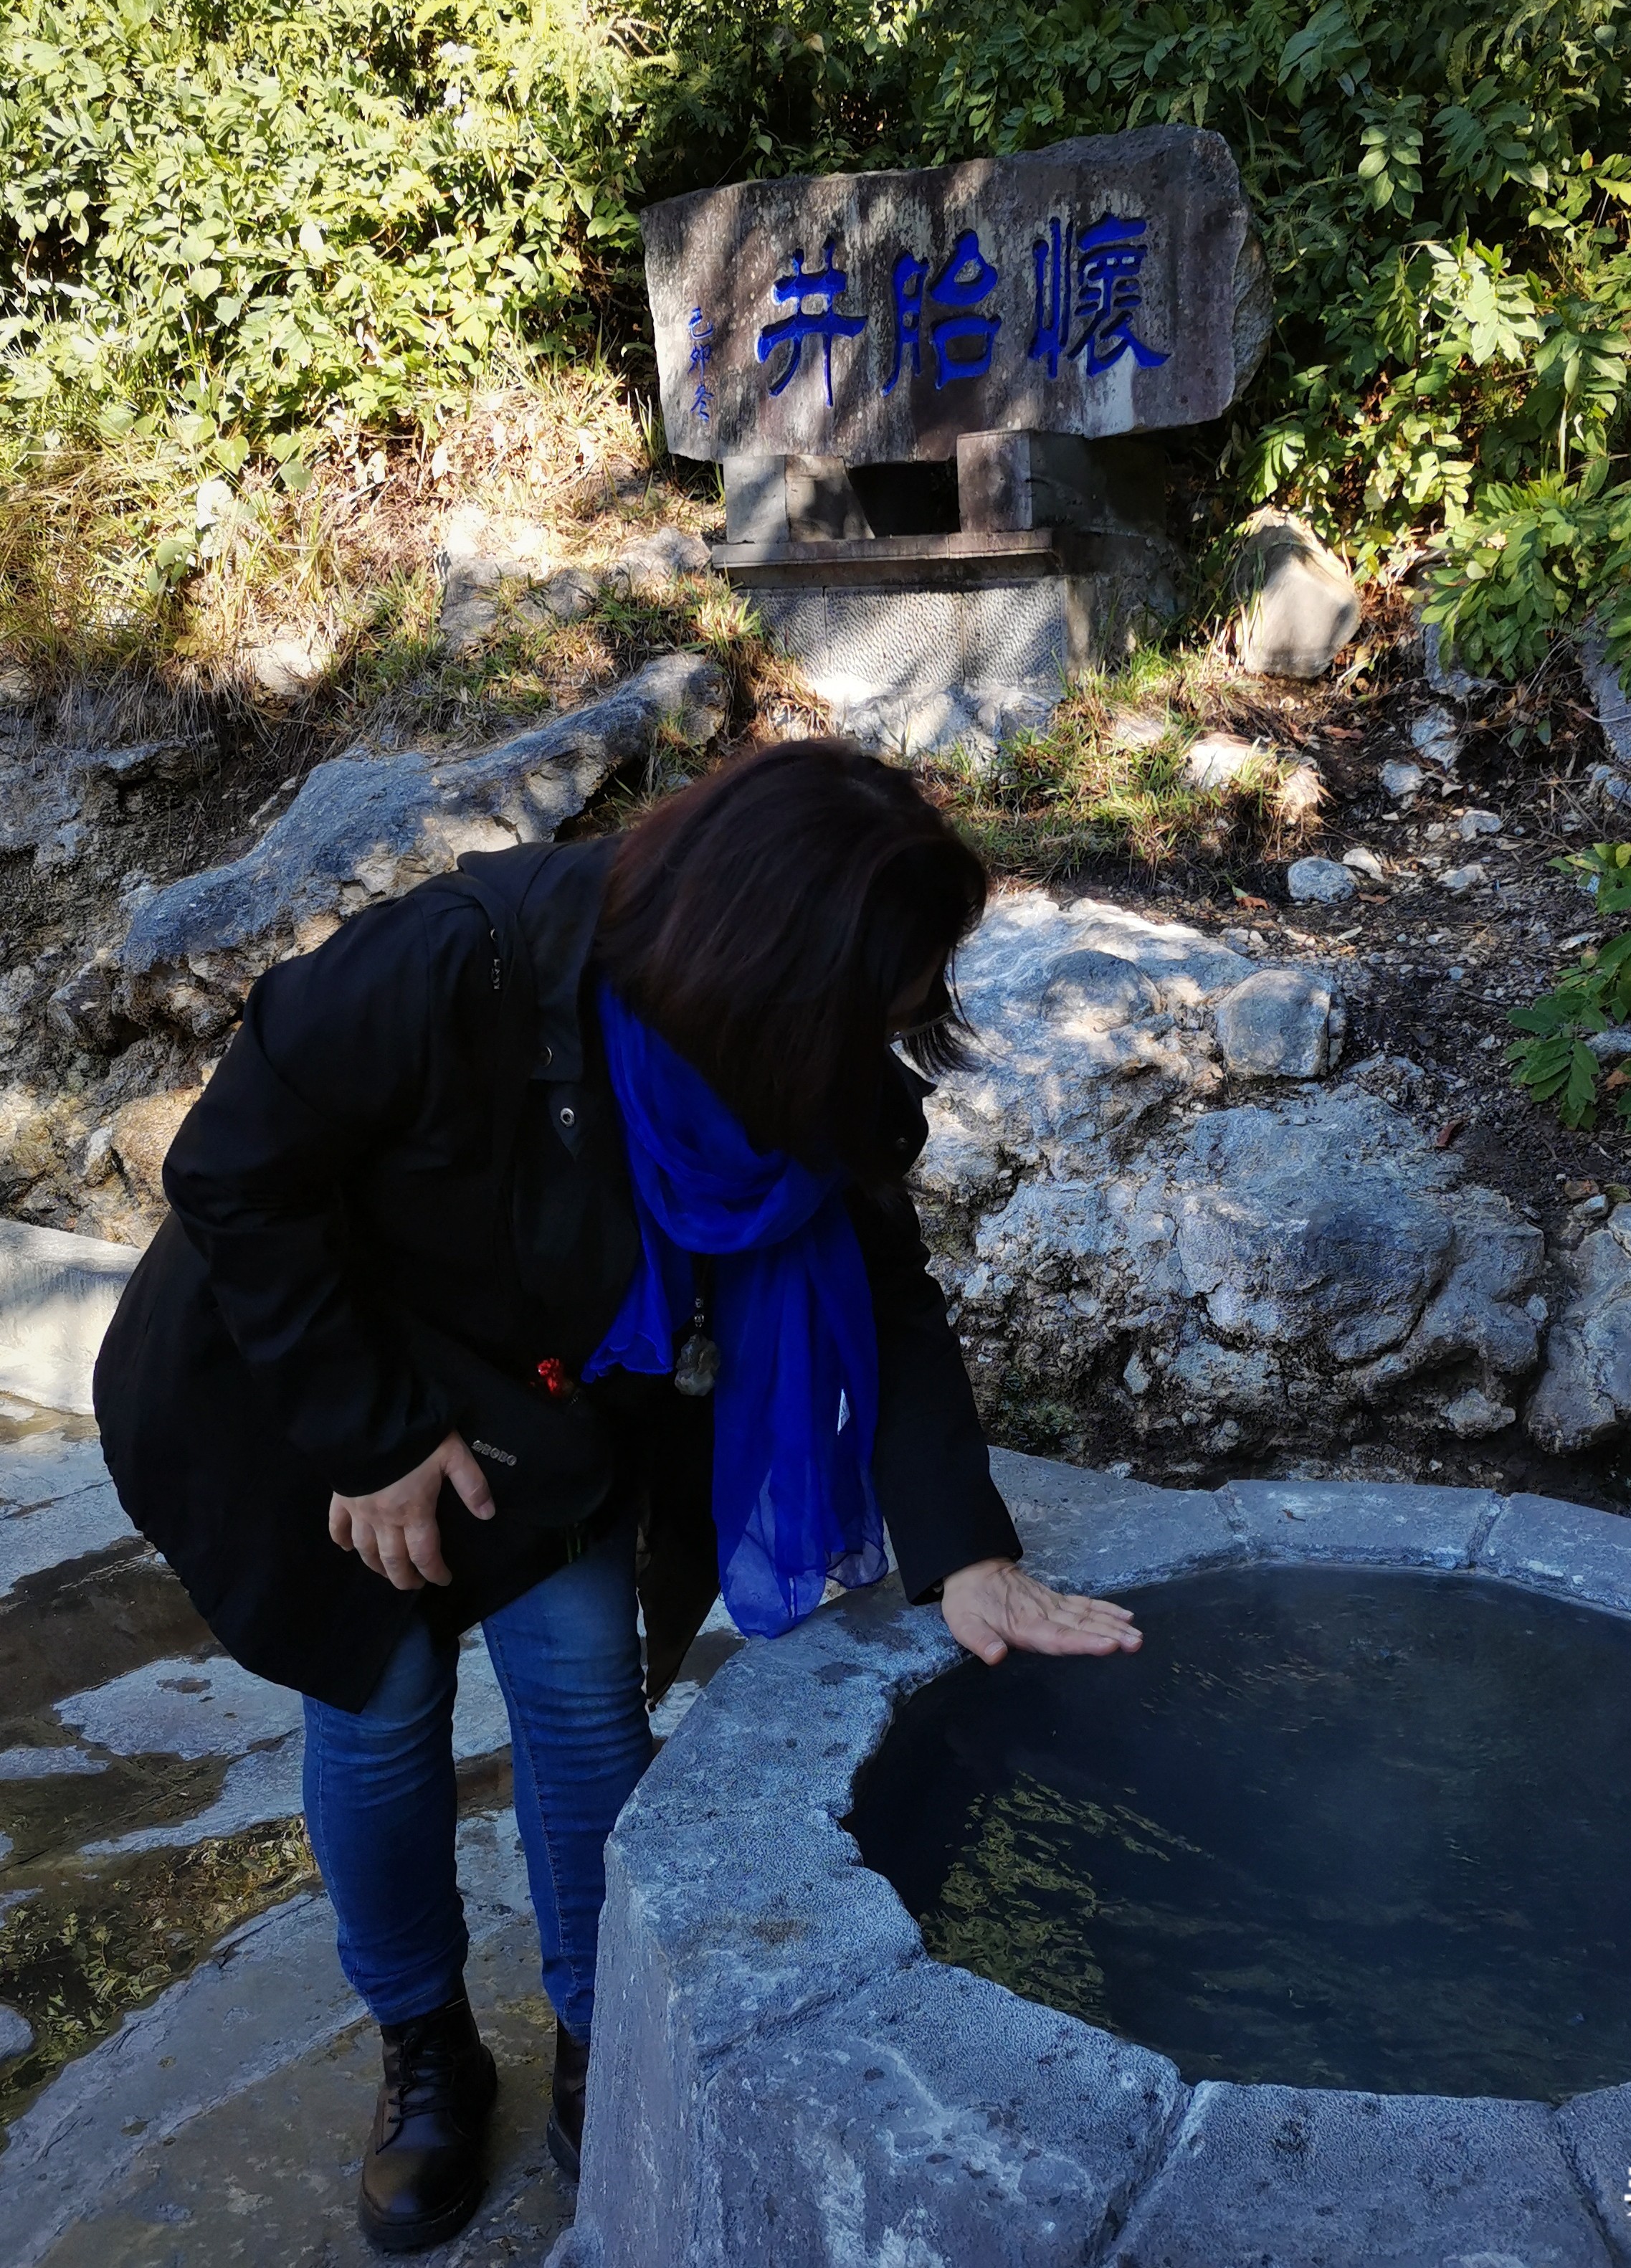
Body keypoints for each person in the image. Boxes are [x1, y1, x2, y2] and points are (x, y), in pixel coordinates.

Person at [94, 739, 1141, 2255]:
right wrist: (373, 1437)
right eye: (894, 992)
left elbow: (888, 1290)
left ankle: (607, 2029)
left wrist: (963, 1550)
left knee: (582, 1696)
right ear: (768, 962)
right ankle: (425, 2044)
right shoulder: (469, 958)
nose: (912, 1023)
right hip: (322, 1376)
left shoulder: (796, 1056)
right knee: (379, 1702)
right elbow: (236, 1172)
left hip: (555, 1401)